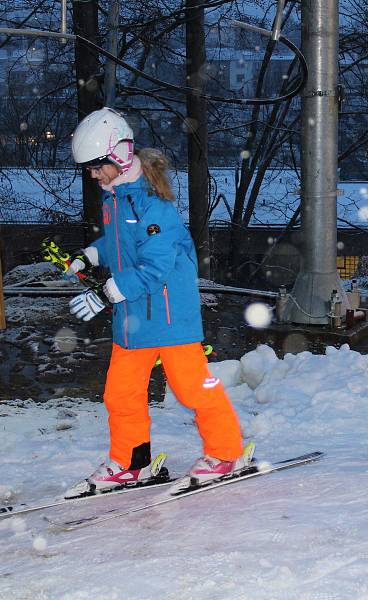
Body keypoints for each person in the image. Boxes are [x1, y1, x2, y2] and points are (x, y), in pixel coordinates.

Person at [64, 107, 246, 498]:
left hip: (167, 315)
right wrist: (89, 256)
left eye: (97, 167)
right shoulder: (115, 200)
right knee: (120, 394)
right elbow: (117, 246)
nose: (93, 175)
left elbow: (155, 267)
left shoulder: (152, 206)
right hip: (132, 319)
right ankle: (132, 462)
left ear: (119, 156)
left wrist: (106, 292)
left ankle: (227, 453)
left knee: (194, 389)